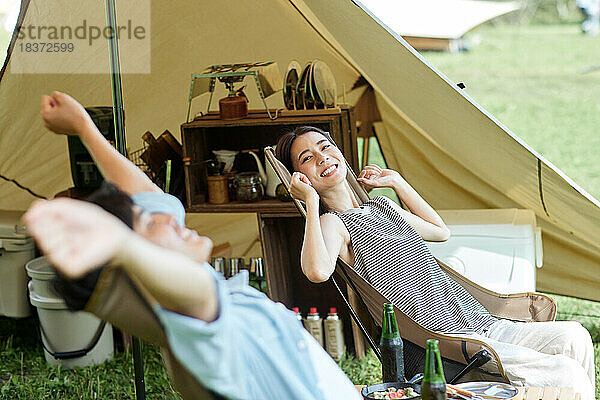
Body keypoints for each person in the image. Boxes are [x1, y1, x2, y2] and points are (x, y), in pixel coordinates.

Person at [276, 126, 595, 399]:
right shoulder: (335, 224)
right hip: (452, 339)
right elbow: (317, 271)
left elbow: (439, 231)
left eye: (325, 147)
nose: (321, 158)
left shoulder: (380, 206)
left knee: (574, 336)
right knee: (563, 372)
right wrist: (311, 203)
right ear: (300, 177)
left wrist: (397, 182)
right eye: (307, 158)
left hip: (478, 319)